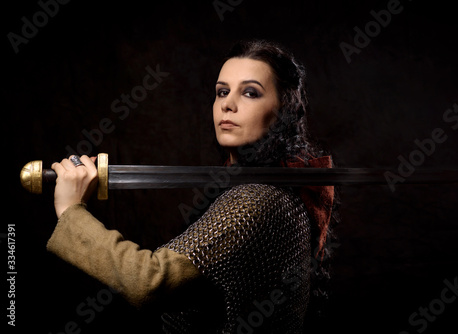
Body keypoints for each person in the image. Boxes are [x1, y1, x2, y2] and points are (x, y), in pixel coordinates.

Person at [48, 39, 339, 333]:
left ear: (283, 111)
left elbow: (150, 282)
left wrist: (72, 211)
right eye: (222, 91)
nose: (227, 103)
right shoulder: (267, 193)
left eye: (250, 93)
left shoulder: (257, 199)